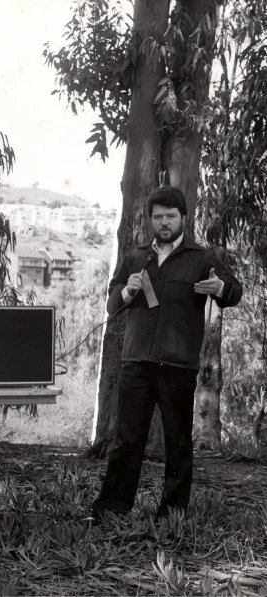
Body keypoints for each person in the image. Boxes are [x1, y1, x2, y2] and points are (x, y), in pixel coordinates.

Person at [91, 186, 242, 521]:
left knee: (177, 443)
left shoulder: (201, 258)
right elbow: (112, 303)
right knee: (127, 440)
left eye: (170, 216)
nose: (164, 222)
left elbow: (233, 290)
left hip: (177, 365)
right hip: (136, 363)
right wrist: (127, 291)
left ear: (183, 218)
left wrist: (221, 289)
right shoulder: (135, 256)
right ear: (150, 220)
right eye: (157, 216)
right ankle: (112, 510)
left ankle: (172, 513)